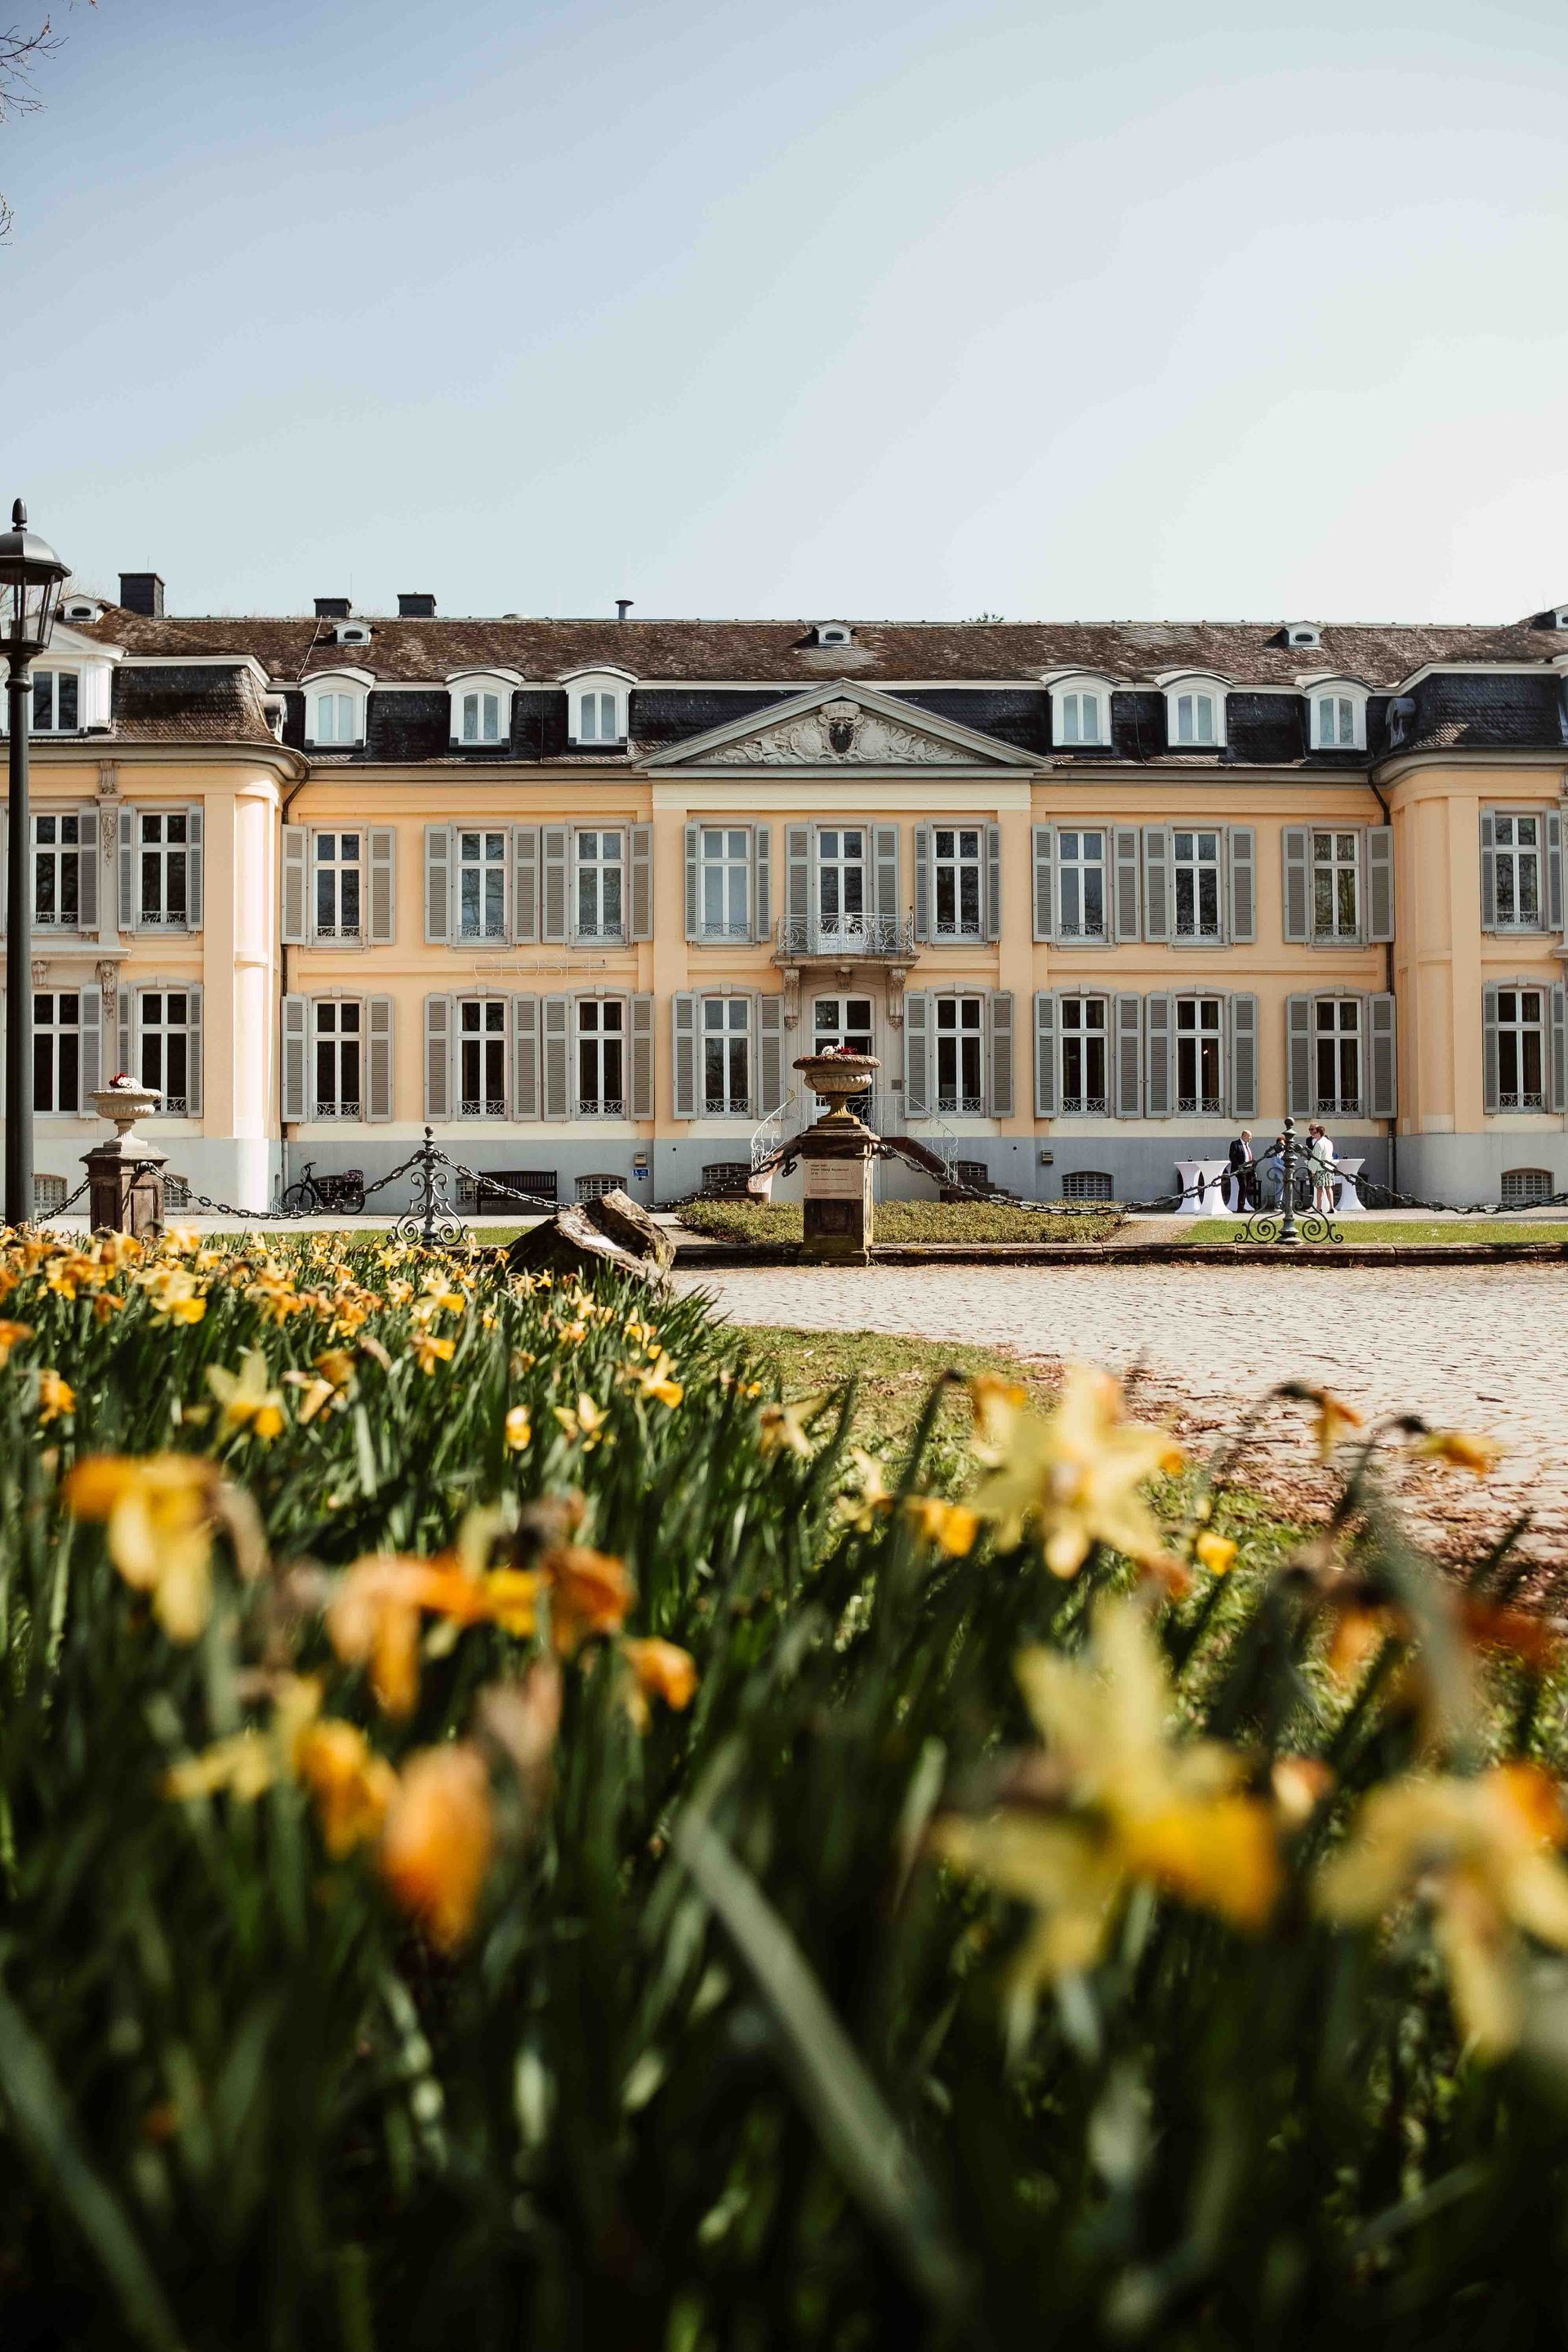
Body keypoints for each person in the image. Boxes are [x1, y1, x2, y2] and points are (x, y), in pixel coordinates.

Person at [1307, 1121, 1337, 1214]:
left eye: (1315, 1132)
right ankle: (1332, 1207)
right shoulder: (1329, 1142)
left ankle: (1319, 1208)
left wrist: (1313, 1171)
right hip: (1329, 1168)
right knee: (1329, 1188)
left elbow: (1316, 1158)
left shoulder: (1319, 1143)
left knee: (1319, 1189)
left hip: (1320, 1169)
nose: (1313, 1134)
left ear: (1319, 1133)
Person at [1227, 1127, 1257, 1211]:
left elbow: (1249, 1157)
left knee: (1247, 1187)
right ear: (1245, 1135)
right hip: (1241, 1169)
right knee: (1243, 1186)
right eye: (1250, 1136)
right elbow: (1232, 1156)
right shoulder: (1235, 1144)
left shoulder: (1247, 1145)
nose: (1251, 1138)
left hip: (1249, 1169)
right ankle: (1241, 1207)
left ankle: (1244, 1205)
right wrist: (1238, 1167)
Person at [1257, 1136, 1286, 1209]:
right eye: (1280, 1144)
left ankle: (1287, 1206)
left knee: (1287, 1190)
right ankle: (1277, 1206)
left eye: (1283, 1144)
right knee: (1279, 1190)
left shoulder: (1286, 1152)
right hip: (1279, 1174)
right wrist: (1283, 1168)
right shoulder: (1276, 1153)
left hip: (1287, 1174)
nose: (1281, 1146)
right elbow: (1274, 1163)